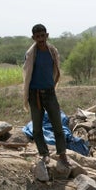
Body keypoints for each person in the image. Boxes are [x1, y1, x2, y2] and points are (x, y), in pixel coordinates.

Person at [22, 23, 68, 168]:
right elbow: (27, 73)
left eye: (43, 36)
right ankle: (44, 154)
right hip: (34, 95)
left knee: (58, 126)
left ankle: (62, 154)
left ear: (47, 35)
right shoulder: (31, 54)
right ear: (33, 38)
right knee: (37, 128)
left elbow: (55, 70)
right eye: (38, 37)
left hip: (49, 93)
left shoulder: (52, 51)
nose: (41, 39)